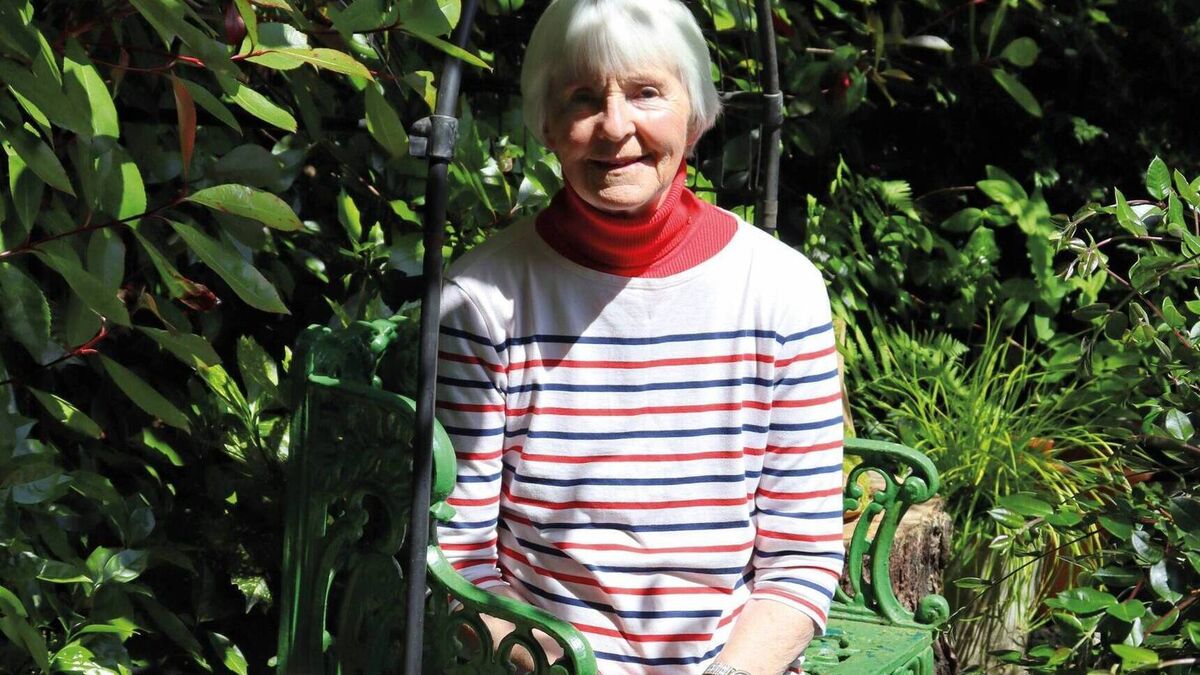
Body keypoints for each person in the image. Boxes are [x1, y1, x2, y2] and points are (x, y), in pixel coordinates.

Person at [434, 1, 844, 672]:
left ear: (696, 113)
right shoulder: (483, 300)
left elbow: (800, 556)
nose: (615, 126)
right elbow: (460, 560)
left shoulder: (780, 291)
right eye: (582, 98)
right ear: (546, 124)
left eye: (646, 92)